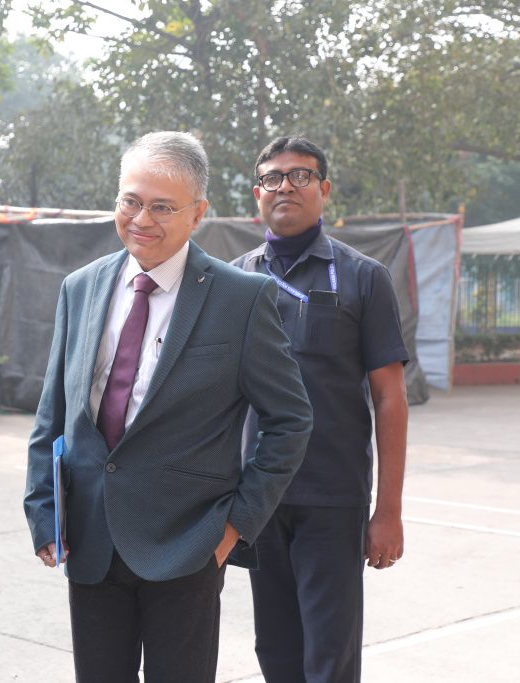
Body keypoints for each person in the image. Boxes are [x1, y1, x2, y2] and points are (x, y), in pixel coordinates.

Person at [24, 131, 313, 683]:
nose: (142, 219)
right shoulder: (80, 288)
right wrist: (43, 510)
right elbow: (52, 412)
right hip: (89, 539)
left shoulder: (241, 298)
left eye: (162, 207)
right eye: (130, 201)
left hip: (188, 544)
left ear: (198, 213)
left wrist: (234, 527)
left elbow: (290, 420)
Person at [232, 135, 409, 683]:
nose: (285, 186)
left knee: (330, 658)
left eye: (300, 176)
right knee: (275, 651)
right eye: (272, 177)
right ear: (257, 193)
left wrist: (389, 510)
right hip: (258, 498)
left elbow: (390, 397)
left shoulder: (362, 277)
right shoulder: (233, 280)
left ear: (324, 190)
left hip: (332, 497)